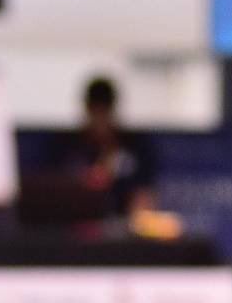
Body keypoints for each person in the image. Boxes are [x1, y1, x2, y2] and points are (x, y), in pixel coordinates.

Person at [58, 76, 158, 219]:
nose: (100, 121)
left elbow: (144, 197)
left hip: (124, 231)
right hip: (77, 229)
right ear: (87, 110)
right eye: (95, 112)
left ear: (112, 110)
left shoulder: (135, 147)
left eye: (104, 112)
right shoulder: (69, 147)